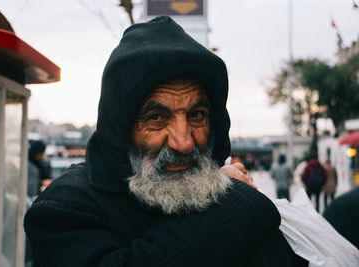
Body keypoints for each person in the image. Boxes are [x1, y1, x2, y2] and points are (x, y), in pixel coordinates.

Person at [24, 16, 307, 266]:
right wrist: (232, 202)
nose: (183, 143)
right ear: (121, 130)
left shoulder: (220, 190)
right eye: (156, 118)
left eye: (197, 115)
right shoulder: (65, 209)